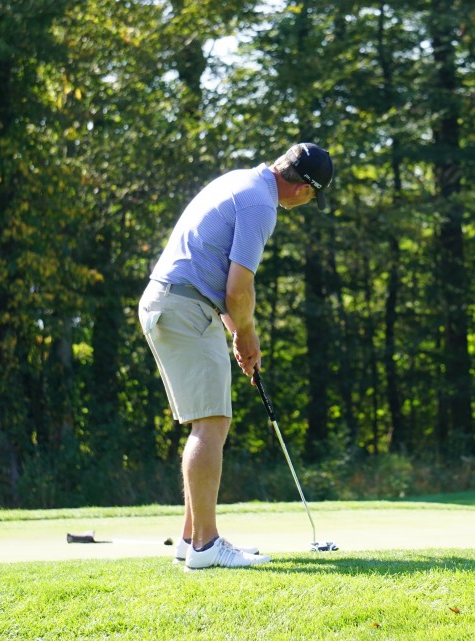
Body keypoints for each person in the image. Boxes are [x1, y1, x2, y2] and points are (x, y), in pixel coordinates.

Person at [138, 143, 334, 569]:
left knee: (207, 421)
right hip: (185, 306)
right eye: (313, 197)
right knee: (211, 422)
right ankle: (206, 547)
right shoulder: (261, 205)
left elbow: (222, 280)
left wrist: (240, 334)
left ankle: (191, 539)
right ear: (305, 190)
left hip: (175, 302)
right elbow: (238, 289)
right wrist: (246, 334)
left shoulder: (242, 181)